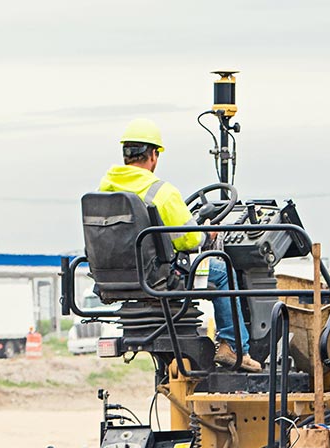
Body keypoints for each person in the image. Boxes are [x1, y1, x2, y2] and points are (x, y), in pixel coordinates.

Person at [98, 117, 260, 371]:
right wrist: (208, 235)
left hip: (117, 278)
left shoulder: (104, 190)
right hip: (159, 278)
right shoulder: (161, 192)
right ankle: (233, 347)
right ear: (153, 155)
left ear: (126, 154)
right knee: (222, 271)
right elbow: (190, 238)